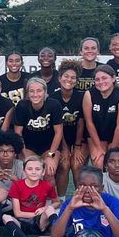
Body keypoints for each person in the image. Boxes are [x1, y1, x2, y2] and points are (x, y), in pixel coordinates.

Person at [12, 76, 63, 183]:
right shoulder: (22, 106)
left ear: (45, 91)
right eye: (32, 91)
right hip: (29, 145)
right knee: (29, 171)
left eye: (39, 91)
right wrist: (25, 155)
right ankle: (28, 199)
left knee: (49, 171)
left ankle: (53, 199)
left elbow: (58, 132)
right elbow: (18, 133)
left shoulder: (54, 105)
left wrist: (51, 155)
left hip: (49, 145)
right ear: (27, 93)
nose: (35, 94)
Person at [3, 157, 59, 237]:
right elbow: (17, 213)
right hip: (22, 222)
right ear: (24, 172)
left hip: (39, 223)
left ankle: (59, 234)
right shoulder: (17, 185)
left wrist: (44, 209)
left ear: (43, 172)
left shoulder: (47, 186)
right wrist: (35, 214)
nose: (34, 172)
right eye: (30, 169)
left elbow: (57, 202)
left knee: (50, 209)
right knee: (5, 217)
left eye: (37, 169)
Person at [82, 64, 119, 167]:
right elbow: (89, 123)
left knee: (113, 164)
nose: (101, 82)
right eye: (97, 79)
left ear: (113, 78)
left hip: (118, 136)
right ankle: (100, 183)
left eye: (104, 78)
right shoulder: (89, 94)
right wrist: (99, 148)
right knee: (99, 163)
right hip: (97, 135)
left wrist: (111, 151)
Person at [53, 60, 86, 198]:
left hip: (80, 137)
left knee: (77, 165)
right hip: (61, 137)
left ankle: (81, 198)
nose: (69, 80)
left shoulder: (82, 96)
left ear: (77, 81)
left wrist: (77, 147)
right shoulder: (53, 98)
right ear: (60, 78)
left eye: (73, 77)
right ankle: (61, 200)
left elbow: (81, 123)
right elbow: (58, 127)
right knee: (64, 164)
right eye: (66, 76)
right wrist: (65, 149)